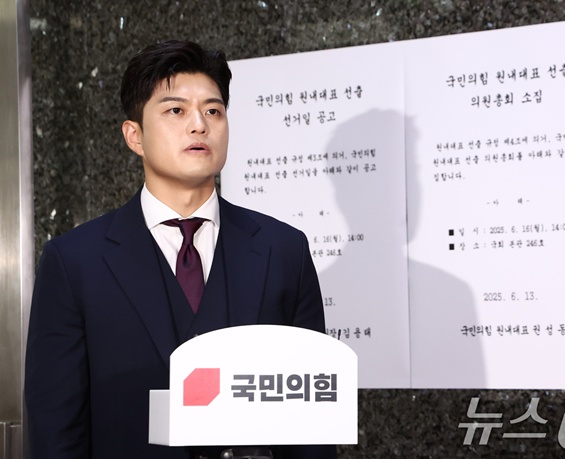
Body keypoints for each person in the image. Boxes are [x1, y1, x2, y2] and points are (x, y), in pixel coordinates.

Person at [25, 40, 337, 459]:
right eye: (176, 110)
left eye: (213, 111)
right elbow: (56, 430)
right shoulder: (74, 262)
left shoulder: (284, 250)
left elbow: (310, 423)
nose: (199, 125)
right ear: (134, 136)